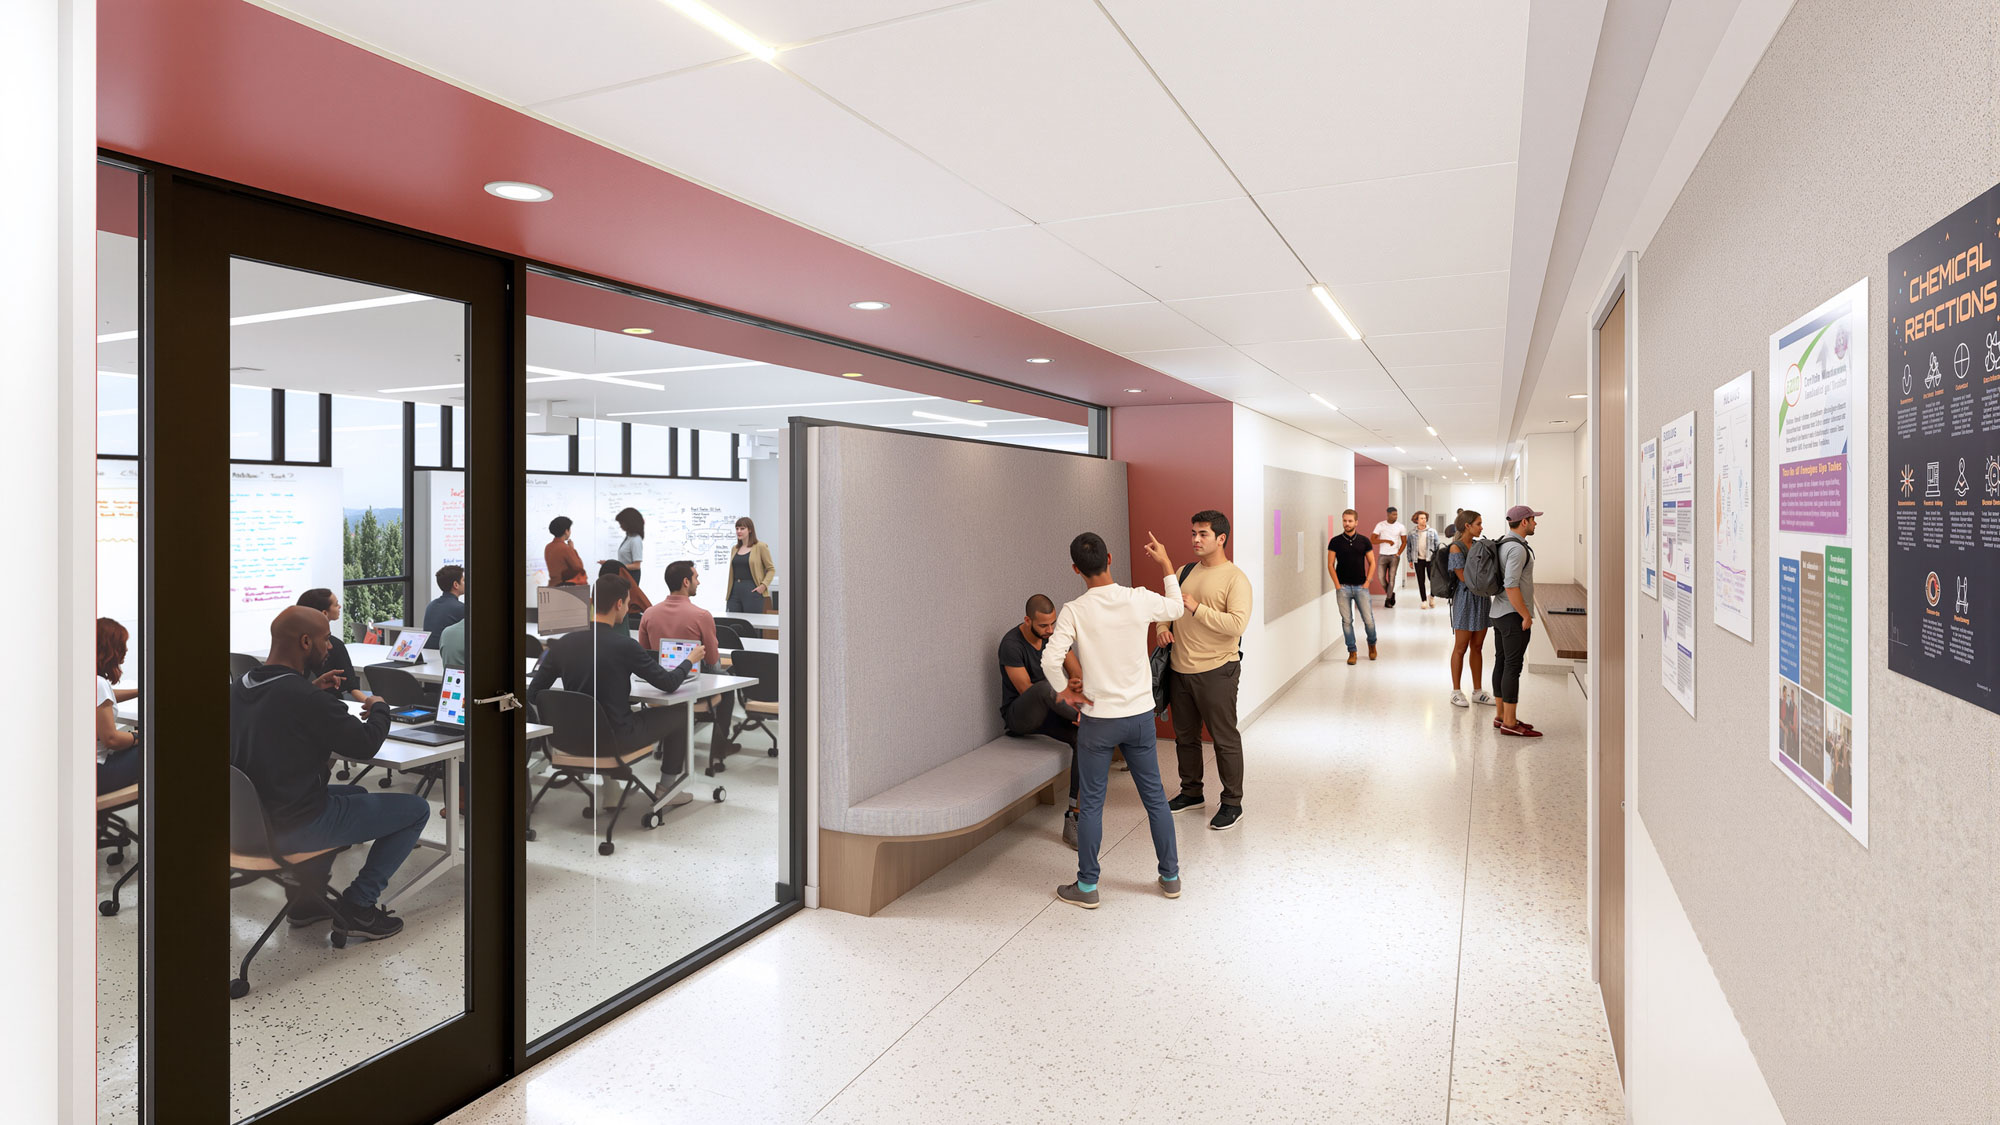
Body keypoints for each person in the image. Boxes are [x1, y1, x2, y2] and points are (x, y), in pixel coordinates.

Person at [230, 606, 426, 940]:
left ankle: (308, 900)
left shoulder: (241, 687)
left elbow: (276, 716)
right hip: (295, 825)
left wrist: (313, 693)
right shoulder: (304, 698)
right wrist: (381, 708)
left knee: (357, 794)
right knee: (416, 810)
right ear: (306, 641)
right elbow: (364, 744)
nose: (331, 646)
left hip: (248, 823)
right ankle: (359, 907)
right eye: (325, 638)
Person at [1043, 531, 1185, 908]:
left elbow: (1049, 659)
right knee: (1155, 798)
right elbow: (1176, 608)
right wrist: (1166, 563)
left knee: (1090, 804)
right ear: (1109, 559)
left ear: (1076, 569)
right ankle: (1170, 877)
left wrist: (1069, 694)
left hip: (1098, 720)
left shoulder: (1074, 610)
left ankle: (1087, 887)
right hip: (1139, 717)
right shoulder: (1137, 599)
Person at [530, 574, 702, 765]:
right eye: (628, 603)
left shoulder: (563, 644)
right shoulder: (625, 646)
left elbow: (533, 693)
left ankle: (611, 790)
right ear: (619, 604)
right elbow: (669, 684)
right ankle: (667, 786)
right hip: (614, 740)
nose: (628, 609)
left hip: (568, 738)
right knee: (680, 713)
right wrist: (689, 660)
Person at [1159, 509, 1252, 832]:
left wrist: (1197, 608)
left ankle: (1232, 803)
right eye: (1193, 533)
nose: (1195, 540)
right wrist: (1162, 627)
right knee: (1185, 738)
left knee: (1224, 739)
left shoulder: (1235, 578)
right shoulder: (1184, 571)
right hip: (1179, 669)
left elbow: (1237, 625)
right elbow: (1168, 609)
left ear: (1221, 538)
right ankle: (1191, 792)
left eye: (1203, 534)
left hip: (1217, 670)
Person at [998, 595, 1084, 848]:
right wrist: (1073, 705)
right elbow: (1027, 690)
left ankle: (1073, 817)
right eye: (1044, 626)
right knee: (1043, 688)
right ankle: (1087, 718)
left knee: (1083, 738)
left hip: (1053, 711)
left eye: (1053, 624)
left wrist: (1075, 687)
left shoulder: (1053, 638)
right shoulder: (1011, 644)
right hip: (1021, 716)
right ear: (1028, 620)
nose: (1050, 630)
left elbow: (1076, 672)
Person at [638, 559, 739, 762]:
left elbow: (645, 655)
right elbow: (711, 659)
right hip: (693, 689)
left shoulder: (649, 614)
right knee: (727, 683)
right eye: (696, 578)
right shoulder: (701, 615)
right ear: (686, 582)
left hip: (658, 687)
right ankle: (719, 748)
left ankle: (668, 741)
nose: (698, 582)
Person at [1491, 504, 1542, 738]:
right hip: (1512, 616)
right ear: (1524, 522)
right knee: (1513, 667)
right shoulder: (1518, 549)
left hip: (1499, 613)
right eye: (1533, 519)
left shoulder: (1503, 543)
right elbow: (1511, 585)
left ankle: (1502, 716)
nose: (1535, 523)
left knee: (1501, 663)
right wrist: (1525, 615)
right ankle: (1510, 723)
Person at [1447, 511, 1495, 708]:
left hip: (1482, 599)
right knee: (1461, 647)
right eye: (1478, 524)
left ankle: (1477, 691)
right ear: (1467, 526)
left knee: (1477, 647)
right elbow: (1464, 577)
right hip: (1466, 600)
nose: (1481, 527)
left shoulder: (1478, 545)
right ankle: (1456, 691)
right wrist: (1486, 581)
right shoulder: (1455, 549)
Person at [95, 618, 141, 794]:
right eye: (122, 645)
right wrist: (138, 736)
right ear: (108, 649)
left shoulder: (85, 677)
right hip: (100, 773)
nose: (127, 649)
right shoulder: (99, 684)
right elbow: (111, 740)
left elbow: (105, 699)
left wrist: (140, 691)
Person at [297, 588, 368, 702]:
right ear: (324, 613)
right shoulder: (336, 645)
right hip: (329, 705)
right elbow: (352, 687)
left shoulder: (291, 648)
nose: (340, 607)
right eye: (336, 605)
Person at [1327, 509, 1378, 665]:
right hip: (1342, 587)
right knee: (1347, 621)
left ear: (1356, 522)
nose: (1347, 524)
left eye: (1350, 521)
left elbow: (1372, 562)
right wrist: (1337, 585)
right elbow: (1330, 564)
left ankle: (1372, 644)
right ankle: (1352, 651)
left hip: (1361, 587)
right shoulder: (1335, 541)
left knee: (1368, 620)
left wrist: (1368, 581)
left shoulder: (1364, 541)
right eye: (1344, 520)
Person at [727, 517, 775, 613]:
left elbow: (771, 569)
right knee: (733, 623)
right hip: (734, 590)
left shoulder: (760, 546)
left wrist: (763, 586)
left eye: (742, 528)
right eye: (737, 529)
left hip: (752, 590)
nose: (738, 531)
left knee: (751, 625)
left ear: (750, 530)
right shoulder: (735, 548)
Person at [421, 565, 466, 649]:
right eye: (463, 580)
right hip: (447, 657)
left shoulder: (431, 605)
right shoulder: (461, 608)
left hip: (430, 654)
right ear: (456, 585)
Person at [1373, 506, 1407, 608]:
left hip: (1394, 557)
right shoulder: (1380, 525)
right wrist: (1385, 541)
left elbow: (1404, 542)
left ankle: (1388, 600)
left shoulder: (1401, 527)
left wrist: (1398, 553)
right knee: (1381, 578)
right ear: (1388, 514)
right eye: (1393, 514)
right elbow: (1372, 540)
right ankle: (1391, 594)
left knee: (1392, 578)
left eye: (1396, 514)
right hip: (1382, 555)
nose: (1395, 516)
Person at [545, 517, 587, 587]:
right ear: (566, 531)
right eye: (569, 529)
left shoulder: (548, 547)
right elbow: (579, 568)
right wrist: (572, 549)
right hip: (565, 588)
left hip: (552, 586)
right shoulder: (566, 548)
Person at [1409, 511, 1440, 609]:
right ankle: (1424, 600)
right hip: (1418, 560)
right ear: (1416, 520)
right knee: (1420, 580)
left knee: (1433, 580)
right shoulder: (1412, 533)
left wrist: (1437, 559)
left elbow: (1437, 545)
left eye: (1425, 518)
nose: (1424, 520)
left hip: (1430, 559)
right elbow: (1409, 548)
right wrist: (1410, 560)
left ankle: (1432, 596)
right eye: (1421, 518)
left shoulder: (1432, 532)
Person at [614, 507, 645, 586]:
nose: (620, 526)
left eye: (621, 523)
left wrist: (617, 566)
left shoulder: (636, 540)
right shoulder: (629, 537)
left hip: (631, 577)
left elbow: (636, 566)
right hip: (624, 576)